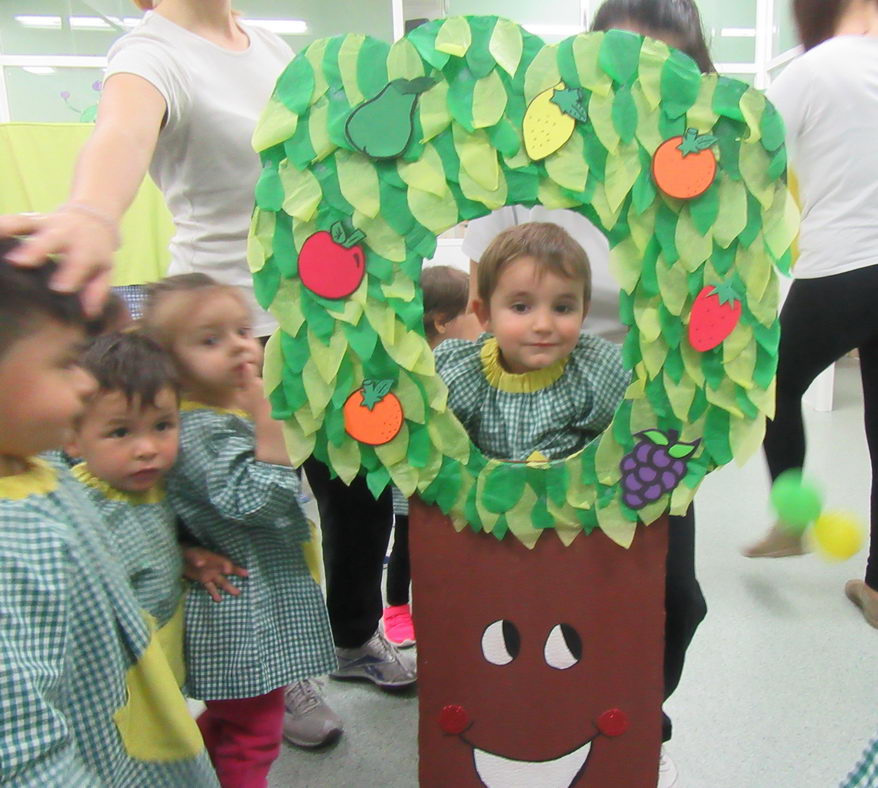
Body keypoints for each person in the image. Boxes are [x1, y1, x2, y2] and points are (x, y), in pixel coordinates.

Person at [459, 6, 712, 784]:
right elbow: (487, 296)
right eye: (625, 62)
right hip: (523, 416)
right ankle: (543, 710)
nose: (645, 85)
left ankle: (632, 700)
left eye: (668, 68)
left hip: (639, 413)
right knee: (520, 592)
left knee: (671, 598)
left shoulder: (698, 170)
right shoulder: (529, 163)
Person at [0, 248, 218, 786]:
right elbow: (26, 753)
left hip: (132, 723)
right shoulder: (10, 543)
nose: (83, 384)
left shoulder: (34, 468)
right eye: (63, 363)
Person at [141, 273, 337, 786]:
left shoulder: (213, 413)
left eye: (241, 330)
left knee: (233, 720)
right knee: (255, 733)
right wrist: (268, 418)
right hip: (243, 613)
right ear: (168, 361)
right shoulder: (204, 427)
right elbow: (259, 500)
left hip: (246, 596)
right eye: (210, 340)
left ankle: (187, 773)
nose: (237, 347)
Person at [742, 0, 878, 629]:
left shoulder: (811, 71)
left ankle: (792, 519)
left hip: (842, 266)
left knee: (772, 384)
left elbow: (749, 160)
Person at [437, 223, 628, 462]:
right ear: (485, 315)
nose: (543, 325)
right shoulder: (460, 372)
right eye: (520, 307)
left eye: (562, 308)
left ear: (583, 311)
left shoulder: (599, 370)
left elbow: (640, 429)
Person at [383, 265, 481, 648]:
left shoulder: (469, 362)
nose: (481, 322)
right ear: (442, 322)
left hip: (456, 478)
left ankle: (445, 606)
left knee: (452, 544)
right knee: (407, 541)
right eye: (473, 313)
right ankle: (395, 609)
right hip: (416, 476)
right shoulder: (412, 365)